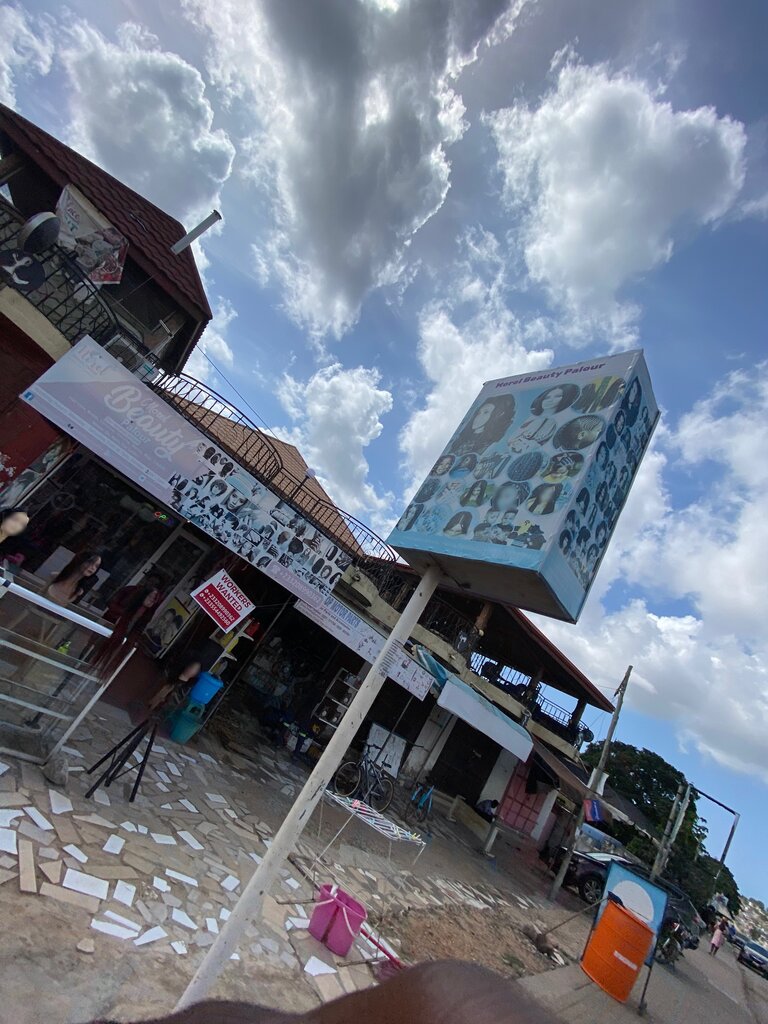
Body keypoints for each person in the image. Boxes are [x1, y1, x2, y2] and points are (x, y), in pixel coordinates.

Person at [450, 395, 516, 456]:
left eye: (486, 412)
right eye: (479, 412)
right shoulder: (460, 440)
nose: (478, 417)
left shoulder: (489, 445)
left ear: (497, 415)